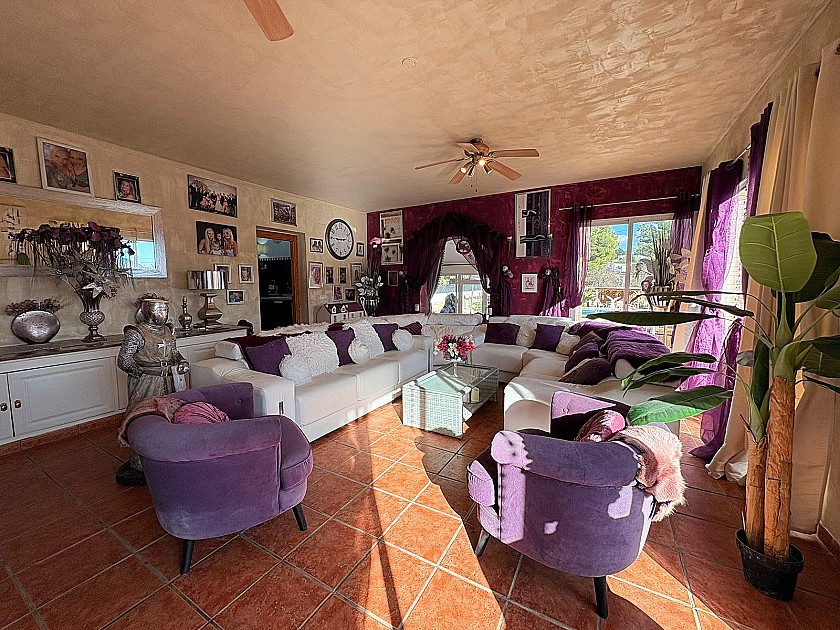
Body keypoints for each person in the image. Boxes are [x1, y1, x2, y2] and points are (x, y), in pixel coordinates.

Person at [115, 299, 189, 486]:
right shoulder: (136, 333)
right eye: (159, 310)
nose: (163, 314)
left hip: (169, 379)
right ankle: (139, 459)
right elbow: (124, 360)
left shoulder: (169, 330)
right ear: (148, 311)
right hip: (146, 382)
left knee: (169, 415)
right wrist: (142, 373)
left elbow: (173, 353)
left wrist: (181, 361)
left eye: (165, 310)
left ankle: (165, 452)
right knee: (141, 416)